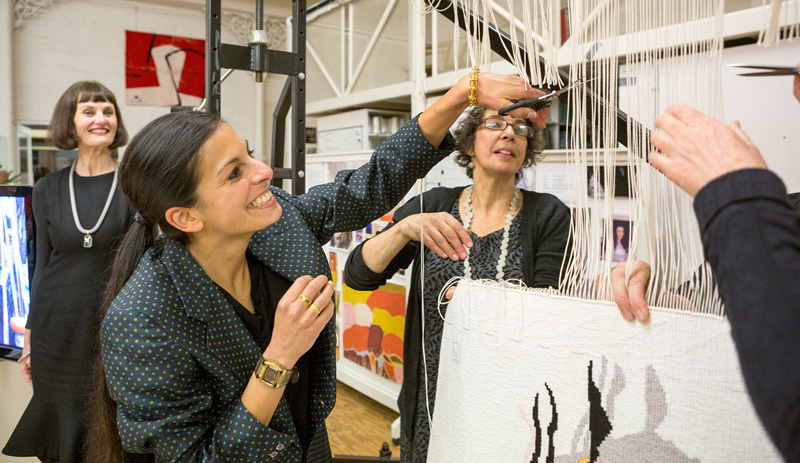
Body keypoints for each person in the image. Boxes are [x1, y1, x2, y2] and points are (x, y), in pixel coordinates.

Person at [88, 74, 545, 461]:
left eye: (249, 154)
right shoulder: (142, 319)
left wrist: (463, 93)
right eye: (234, 172)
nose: (263, 170)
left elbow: (371, 185)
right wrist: (280, 355)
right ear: (185, 217)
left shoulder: (279, 225)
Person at [344, 104, 572, 461]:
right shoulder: (434, 206)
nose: (509, 134)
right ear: (468, 144)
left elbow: (547, 307)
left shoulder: (548, 214)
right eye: (495, 124)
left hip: (509, 395)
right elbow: (359, 276)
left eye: (521, 129)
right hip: (432, 394)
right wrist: (404, 229)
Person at [645, 71, 800, 462]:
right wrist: (654, 296)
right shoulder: (786, 213)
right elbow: (708, 310)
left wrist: (737, 193)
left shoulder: (763, 212)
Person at [3, 81, 132, 463]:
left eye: (107, 110)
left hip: (112, 328)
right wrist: (30, 340)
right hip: (56, 334)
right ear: (70, 122)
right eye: (89, 111)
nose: (101, 118)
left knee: (109, 434)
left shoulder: (133, 183)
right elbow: (42, 265)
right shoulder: (47, 188)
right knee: (63, 440)